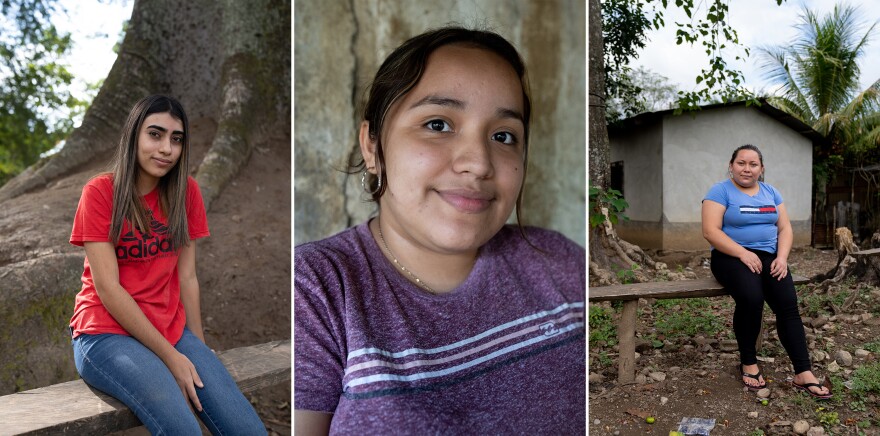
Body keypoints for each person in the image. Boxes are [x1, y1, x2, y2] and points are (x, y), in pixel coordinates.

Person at [294, 26, 586, 434]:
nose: (479, 162)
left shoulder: (559, 261)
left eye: (504, 135)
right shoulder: (318, 287)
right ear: (372, 146)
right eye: (438, 124)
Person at [69, 95, 267, 434]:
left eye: (176, 139)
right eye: (155, 135)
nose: (166, 148)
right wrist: (171, 358)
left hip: (171, 330)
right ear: (134, 136)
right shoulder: (100, 192)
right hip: (105, 334)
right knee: (183, 430)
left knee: (247, 429)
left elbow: (187, 277)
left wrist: (200, 351)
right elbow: (108, 289)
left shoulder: (186, 192)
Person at [701, 144, 832, 399]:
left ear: (761, 169)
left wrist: (782, 258)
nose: (747, 169)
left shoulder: (771, 192)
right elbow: (711, 231)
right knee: (751, 297)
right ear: (731, 165)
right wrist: (742, 252)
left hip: (769, 256)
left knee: (787, 304)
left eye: (753, 164)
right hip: (729, 256)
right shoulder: (719, 191)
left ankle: (803, 372)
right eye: (741, 163)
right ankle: (748, 362)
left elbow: (785, 229)